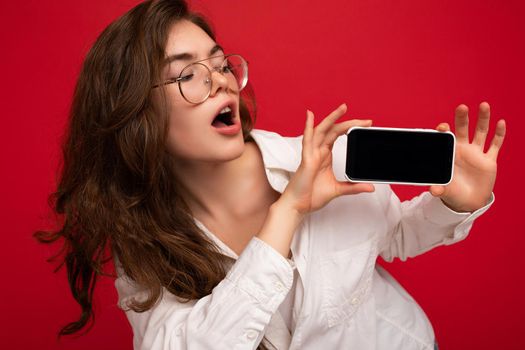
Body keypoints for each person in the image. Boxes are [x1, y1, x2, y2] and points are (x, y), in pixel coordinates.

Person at [35, 0, 506, 349]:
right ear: (134, 111)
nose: (219, 78)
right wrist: (289, 211)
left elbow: (399, 234)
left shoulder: (317, 160)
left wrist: (456, 202)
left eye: (219, 64)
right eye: (187, 74)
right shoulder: (144, 243)